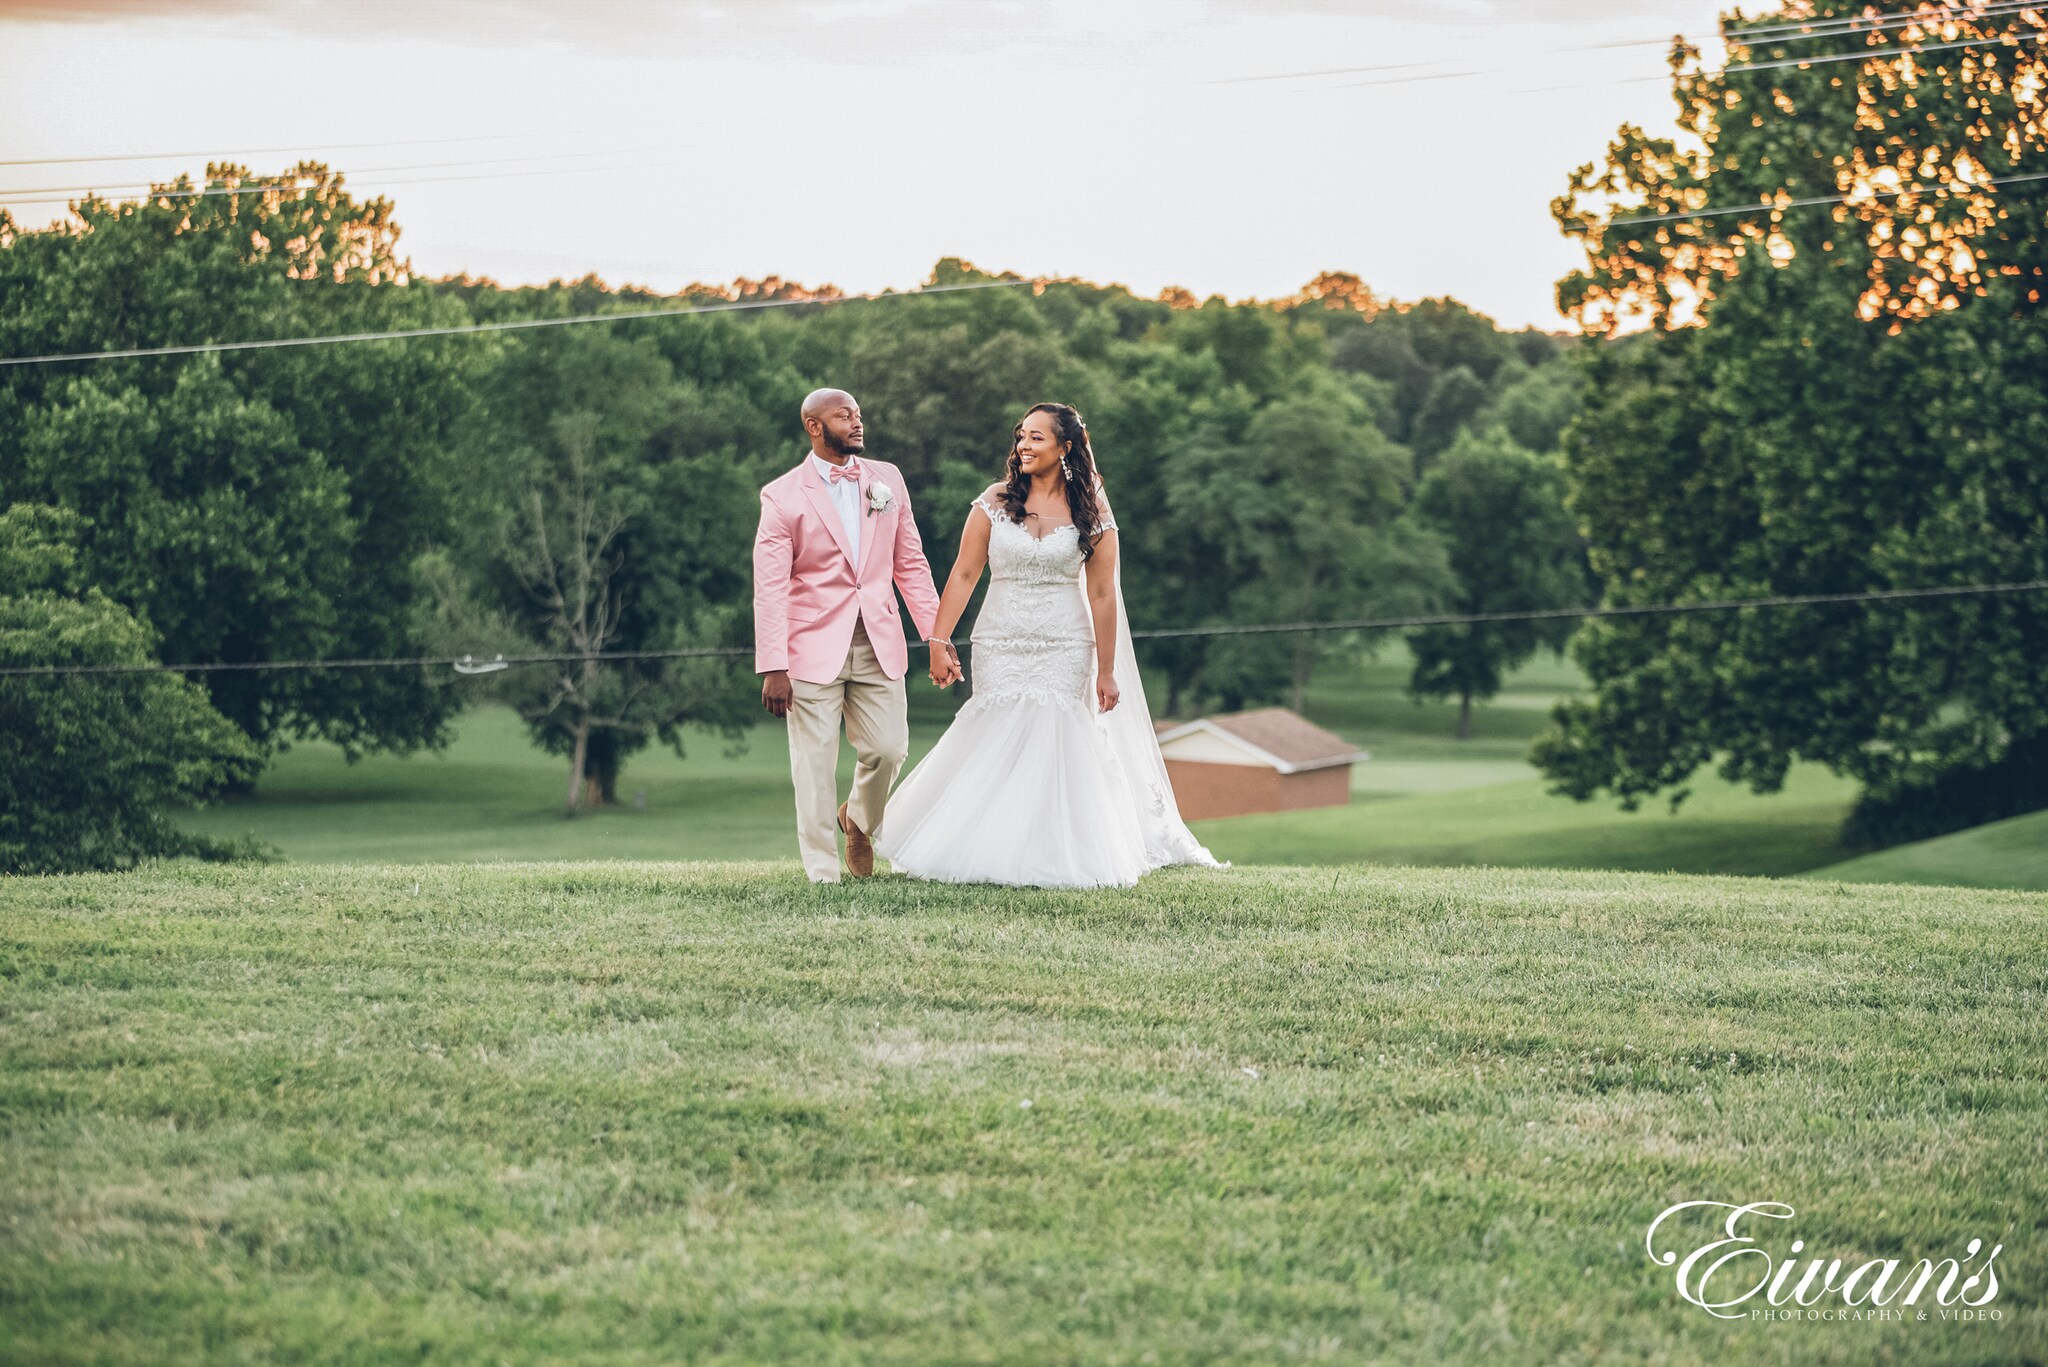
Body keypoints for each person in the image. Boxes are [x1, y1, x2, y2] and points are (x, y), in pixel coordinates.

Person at [875, 402, 1225, 888]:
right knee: (997, 730)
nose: (1023, 445)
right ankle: (980, 845)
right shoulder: (993, 501)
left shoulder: (1092, 511)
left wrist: (1106, 669)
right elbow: (964, 573)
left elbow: (1103, 593)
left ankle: (1052, 852)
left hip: (1065, 641)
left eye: (1037, 437)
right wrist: (938, 640)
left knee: (1056, 735)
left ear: (1066, 447)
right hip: (1000, 637)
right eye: (1021, 436)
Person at [753, 388, 949, 883]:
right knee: (814, 767)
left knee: (889, 749)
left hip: (879, 641)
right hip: (810, 650)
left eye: (859, 414)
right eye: (845, 416)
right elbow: (770, 587)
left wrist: (936, 637)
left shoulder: (889, 480)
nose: (857, 423)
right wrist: (774, 665)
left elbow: (910, 562)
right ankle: (823, 873)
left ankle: (857, 820)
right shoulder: (781, 496)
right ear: (814, 427)